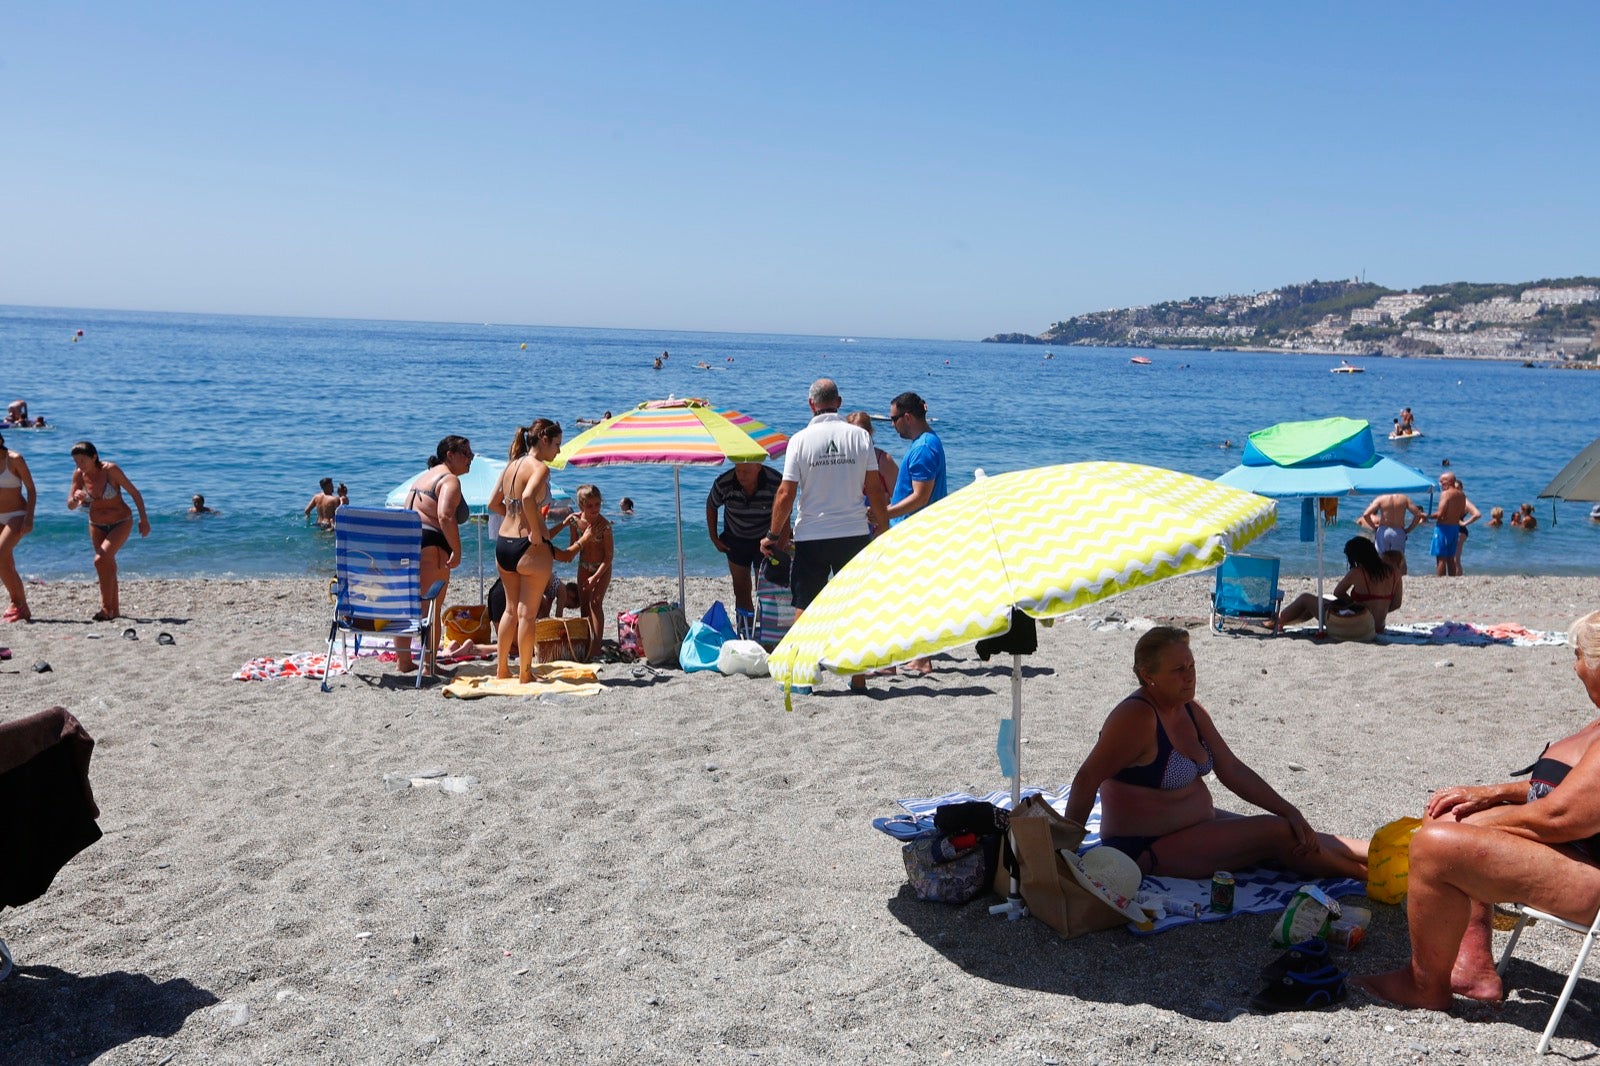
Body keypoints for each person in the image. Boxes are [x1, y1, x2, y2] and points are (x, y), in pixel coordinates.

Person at [1355, 611, 1600, 1010]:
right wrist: (1490, 794)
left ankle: (1424, 987)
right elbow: (1568, 790)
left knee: (1438, 844)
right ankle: (1472, 965)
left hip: (1591, 881)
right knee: (1449, 817)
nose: (1575, 668)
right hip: (1578, 855)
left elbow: (1562, 816)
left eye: (1578, 656)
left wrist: (1483, 824)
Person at [1064, 626, 1367, 879]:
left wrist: (1289, 809)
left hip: (1198, 825)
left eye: (1192, 666)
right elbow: (1086, 779)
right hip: (1144, 846)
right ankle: (1368, 877)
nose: (1189, 676)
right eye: (1178, 670)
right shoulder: (1135, 718)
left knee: (1292, 827)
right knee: (1279, 833)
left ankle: (1380, 852)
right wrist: (1067, 851)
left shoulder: (1189, 709)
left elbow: (1231, 769)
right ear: (1148, 675)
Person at [761, 379, 888, 693]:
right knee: (854, 606)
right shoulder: (860, 437)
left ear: (811, 404)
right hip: (853, 533)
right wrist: (883, 528)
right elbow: (874, 488)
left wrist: (773, 534)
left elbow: (785, 493)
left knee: (805, 606)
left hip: (812, 534)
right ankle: (858, 678)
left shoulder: (800, 440)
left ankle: (802, 677)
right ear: (839, 402)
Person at [489, 420, 571, 683]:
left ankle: (502, 669)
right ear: (543, 440)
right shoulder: (540, 468)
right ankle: (525, 673)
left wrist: (514, 516)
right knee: (527, 614)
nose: (558, 451)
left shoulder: (511, 465)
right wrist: (535, 529)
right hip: (529, 547)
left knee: (510, 611)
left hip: (504, 542)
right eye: (556, 444)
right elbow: (526, 497)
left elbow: (493, 503)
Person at [396, 436, 473, 674]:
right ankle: (429, 665)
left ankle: (404, 661)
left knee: (407, 607)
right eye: (466, 453)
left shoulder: (422, 479)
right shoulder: (449, 480)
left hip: (406, 543)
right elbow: (445, 516)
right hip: (431, 545)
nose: (471, 458)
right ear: (450, 455)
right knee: (431, 608)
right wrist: (457, 550)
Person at [885, 392, 947, 675]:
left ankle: (922, 657)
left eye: (894, 419)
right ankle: (919, 655)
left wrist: (885, 513)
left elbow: (921, 496)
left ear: (907, 417)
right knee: (915, 593)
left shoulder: (923, 448)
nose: (892, 425)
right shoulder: (927, 442)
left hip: (916, 530)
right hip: (921, 528)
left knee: (913, 594)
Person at [66, 440, 150, 622]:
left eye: (82, 460)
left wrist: (144, 520)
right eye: (76, 461)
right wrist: (76, 498)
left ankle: (105, 608)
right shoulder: (79, 474)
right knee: (107, 564)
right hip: (96, 524)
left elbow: (135, 493)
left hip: (121, 521)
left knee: (100, 560)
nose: (79, 465)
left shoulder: (110, 470)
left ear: (94, 457)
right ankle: (114, 610)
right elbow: (70, 505)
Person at [706, 460, 782, 631]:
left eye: (746, 472)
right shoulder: (724, 482)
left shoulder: (775, 481)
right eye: (738, 470)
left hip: (766, 539)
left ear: (758, 467)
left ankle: (768, 633)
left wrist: (780, 543)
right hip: (736, 538)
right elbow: (711, 505)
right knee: (740, 588)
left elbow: (784, 512)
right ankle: (744, 630)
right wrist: (714, 537)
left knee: (766, 589)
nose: (741, 476)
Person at [1274, 537, 1402, 633]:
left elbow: (1338, 592)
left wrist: (1353, 603)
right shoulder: (1395, 572)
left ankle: (1276, 621)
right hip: (1377, 628)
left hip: (1356, 627)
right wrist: (1378, 607)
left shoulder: (1357, 572)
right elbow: (1396, 604)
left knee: (1306, 598)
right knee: (1321, 602)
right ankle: (1281, 622)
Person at [569, 484, 614, 647]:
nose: (595, 509)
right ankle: (586, 641)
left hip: (602, 568)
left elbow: (609, 557)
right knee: (585, 605)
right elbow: (573, 547)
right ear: (581, 506)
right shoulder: (575, 522)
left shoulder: (604, 526)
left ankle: (596, 645)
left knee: (595, 603)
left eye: (597, 504)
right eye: (590, 506)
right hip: (584, 565)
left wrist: (595, 577)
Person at [0, 432, 37, 623]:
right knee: (5, 563)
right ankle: (20, 606)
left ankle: (18, 603)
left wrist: (29, 517)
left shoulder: (14, 459)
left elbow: (31, 489)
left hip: (16, 515)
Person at [843, 412, 897, 536]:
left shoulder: (883, 461)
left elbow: (901, 498)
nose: (857, 437)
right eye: (852, 433)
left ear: (870, 432)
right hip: (848, 532)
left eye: (861, 433)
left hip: (879, 532)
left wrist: (881, 512)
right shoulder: (841, 462)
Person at [1358, 492, 1426, 573]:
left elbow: (1366, 514)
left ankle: (1383, 576)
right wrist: (1409, 529)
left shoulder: (1381, 498)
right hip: (1398, 531)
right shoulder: (1404, 498)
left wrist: (1373, 527)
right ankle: (1401, 577)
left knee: (1382, 556)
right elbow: (1418, 514)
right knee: (1400, 558)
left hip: (1383, 530)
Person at [1428, 472, 1479, 577]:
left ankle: (1441, 580)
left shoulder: (1446, 494)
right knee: (1451, 558)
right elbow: (1460, 513)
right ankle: (1452, 579)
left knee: (1441, 557)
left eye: (1442, 482)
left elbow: (1440, 514)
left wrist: (1427, 516)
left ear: (1449, 481)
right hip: (1455, 528)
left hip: (1443, 528)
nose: (1440, 484)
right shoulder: (1462, 495)